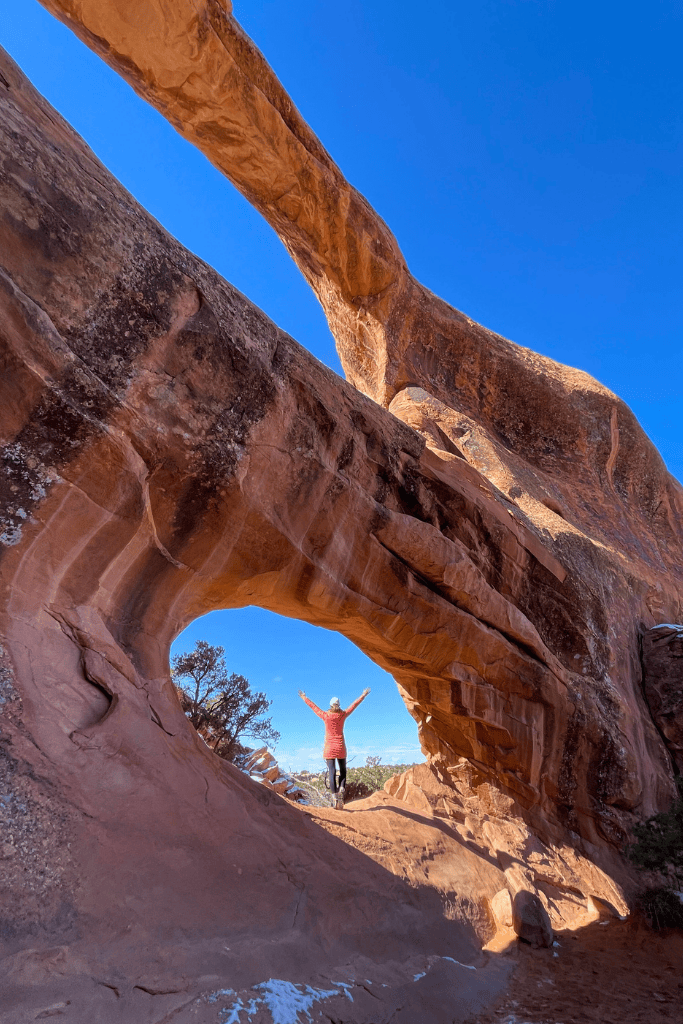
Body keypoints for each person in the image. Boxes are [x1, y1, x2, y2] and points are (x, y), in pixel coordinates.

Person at [298, 688, 370, 809]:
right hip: (341, 747)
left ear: (330, 705)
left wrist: (304, 698)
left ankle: (334, 797)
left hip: (329, 748)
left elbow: (314, 707)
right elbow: (354, 705)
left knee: (332, 772)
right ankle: (341, 788)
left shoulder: (326, 715)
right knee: (343, 771)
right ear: (339, 705)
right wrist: (363, 695)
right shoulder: (343, 715)